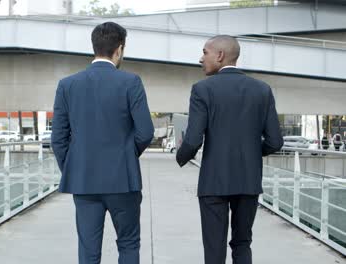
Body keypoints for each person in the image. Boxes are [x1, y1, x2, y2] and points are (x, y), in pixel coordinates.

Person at [51, 22, 154, 264]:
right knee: (128, 243)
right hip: (123, 181)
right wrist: (126, 156)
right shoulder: (131, 82)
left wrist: (75, 167)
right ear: (119, 50)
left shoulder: (67, 85)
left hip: (84, 181)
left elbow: (58, 139)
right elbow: (145, 132)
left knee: (88, 249)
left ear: (94, 46)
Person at [176, 35, 283, 264]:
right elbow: (275, 141)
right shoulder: (262, 90)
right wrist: (253, 153)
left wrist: (181, 156)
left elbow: (194, 139)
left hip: (214, 182)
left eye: (205, 53)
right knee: (243, 243)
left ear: (220, 55)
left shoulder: (202, 89)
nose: (200, 58)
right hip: (248, 180)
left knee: (214, 248)